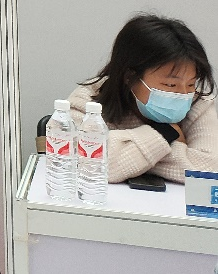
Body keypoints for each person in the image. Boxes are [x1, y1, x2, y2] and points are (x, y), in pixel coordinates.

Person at [67, 14, 218, 183]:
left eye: (191, 84)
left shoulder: (200, 101)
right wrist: (165, 133)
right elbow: (84, 162)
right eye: (170, 85)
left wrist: (122, 155)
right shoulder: (88, 100)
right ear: (130, 77)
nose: (184, 94)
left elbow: (210, 169)